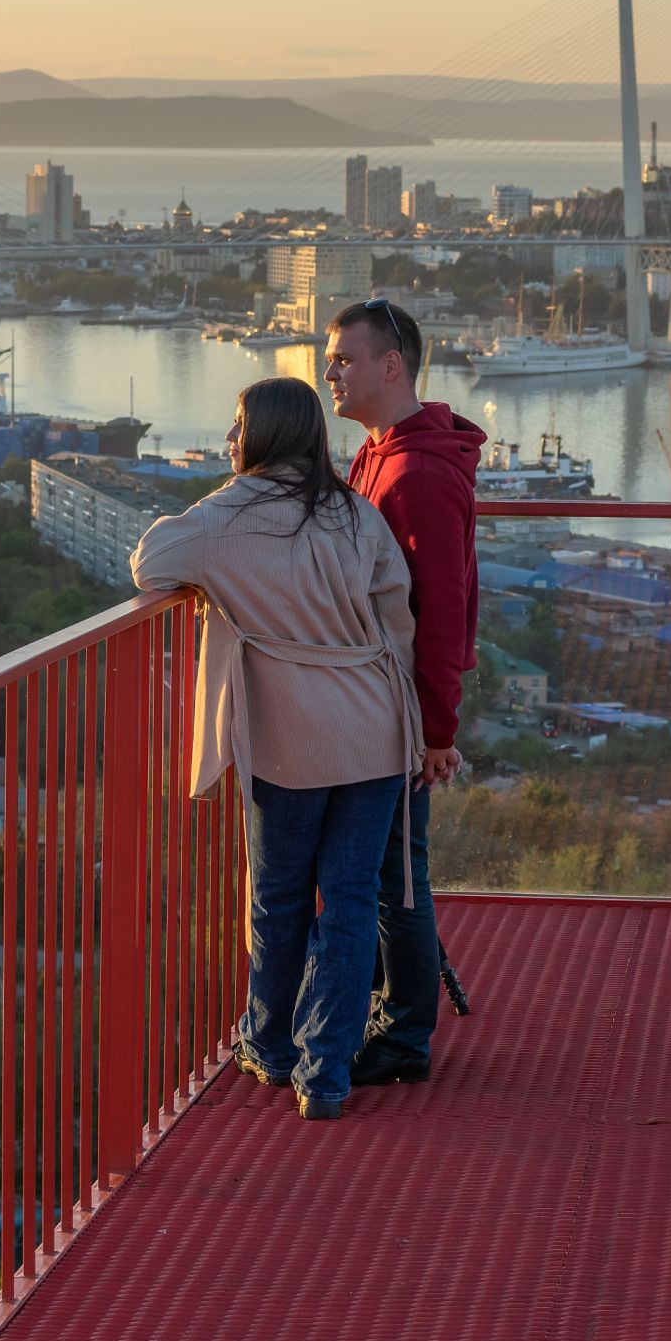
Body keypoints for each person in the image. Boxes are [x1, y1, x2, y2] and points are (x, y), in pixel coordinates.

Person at [130, 375, 422, 1120]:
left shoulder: (226, 516)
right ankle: (326, 1073)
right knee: (352, 898)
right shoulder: (354, 513)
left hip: (292, 733)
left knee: (280, 895)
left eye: (236, 427)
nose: (229, 441)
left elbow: (150, 564)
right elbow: (397, 610)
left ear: (261, 435)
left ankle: (268, 1043)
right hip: (375, 725)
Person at [323, 298, 482, 1085]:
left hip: (399, 707)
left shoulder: (416, 473)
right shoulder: (379, 451)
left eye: (345, 359)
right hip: (379, 697)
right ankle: (395, 1011)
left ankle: (406, 1033)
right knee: (390, 865)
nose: (329, 372)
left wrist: (436, 730)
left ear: (391, 367)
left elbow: (443, 610)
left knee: (397, 873)